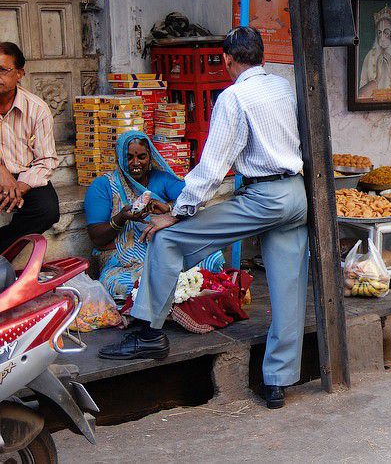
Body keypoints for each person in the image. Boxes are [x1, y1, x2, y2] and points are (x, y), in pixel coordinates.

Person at [99, 27, 308, 410]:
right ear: (261, 56)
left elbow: (212, 169)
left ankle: (148, 333)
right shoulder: (282, 87)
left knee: (167, 239)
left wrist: (178, 213)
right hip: (296, 194)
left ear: (228, 60)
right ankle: (277, 383)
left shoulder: (234, 97)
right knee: (288, 288)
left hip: (265, 198)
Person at [83, 131, 225, 301]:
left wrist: (169, 208)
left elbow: (194, 198)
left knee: (213, 257)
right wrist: (123, 217)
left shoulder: (161, 179)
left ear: (150, 157)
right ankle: (181, 295)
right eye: (129, 157)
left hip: (165, 251)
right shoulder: (103, 185)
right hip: (123, 263)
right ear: (120, 158)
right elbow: (96, 237)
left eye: (141, 157)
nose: (136, 163)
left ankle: (176, 293)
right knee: (120, 283)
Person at [0, 42, 60, 254]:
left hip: (25, 175)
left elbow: (46, 160)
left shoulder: (37, 109)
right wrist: (3, 173)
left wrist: (20, 185)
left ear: (19, 74)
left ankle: (3, 250)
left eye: (2, 70)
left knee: (47, 210)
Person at [358, 4, 391, 100]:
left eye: (386, 32)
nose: (382, 38)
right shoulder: (370, 56)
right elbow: (360, 95)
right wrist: (377, 78)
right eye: (379, 32)